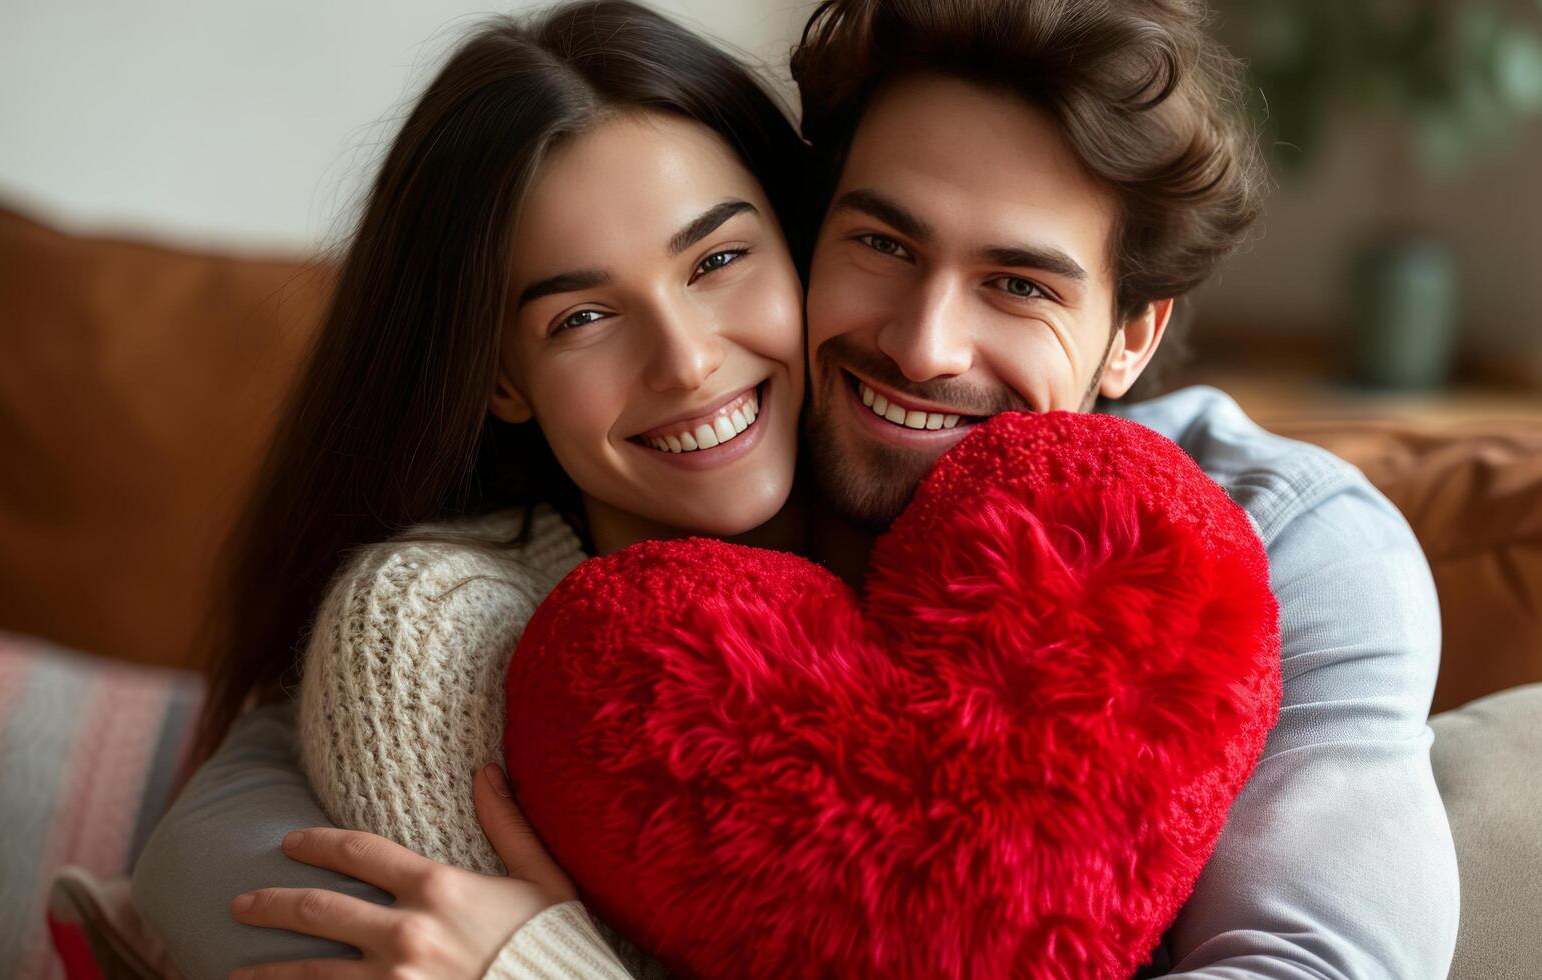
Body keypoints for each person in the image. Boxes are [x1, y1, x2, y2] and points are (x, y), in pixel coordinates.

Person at [136, 0, 1461, 976]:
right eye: (882, 243)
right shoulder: (541, 576)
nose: (921, 343)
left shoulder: (1276, 545)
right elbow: (211, 868)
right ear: (809, 224)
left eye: (1018, 284)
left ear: (1130, 333)